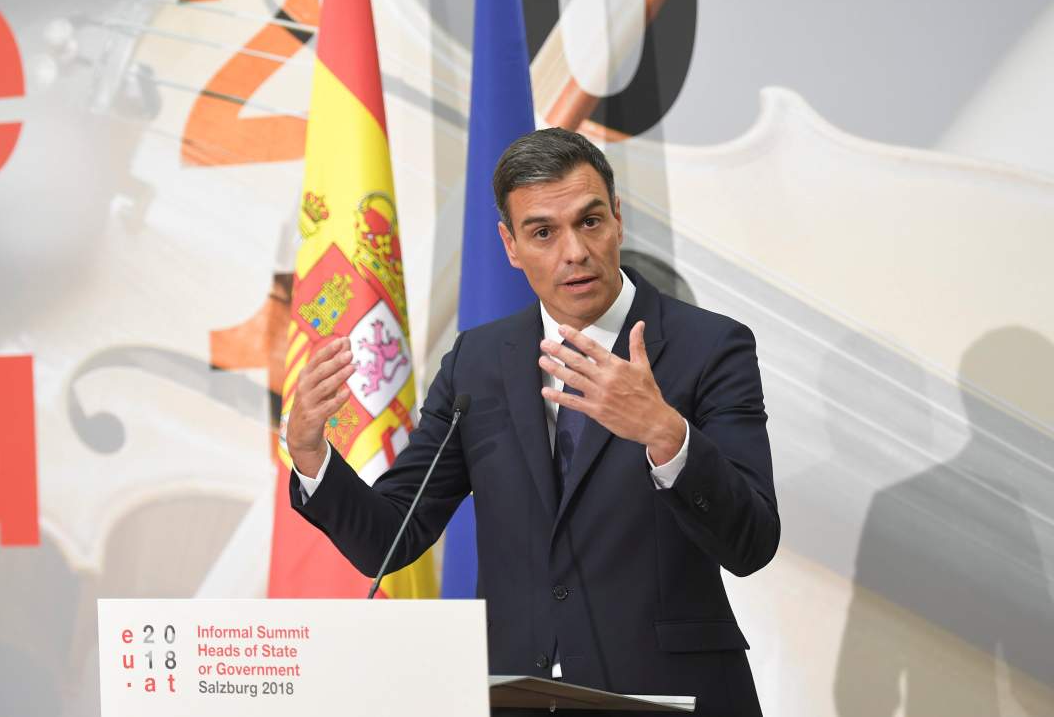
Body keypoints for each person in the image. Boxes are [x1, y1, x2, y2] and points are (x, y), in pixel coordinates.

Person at [285, 128, 779, 716]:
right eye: (543, 232)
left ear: (617, 219)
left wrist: (666, 435)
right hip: (516, 694)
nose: (575, 252)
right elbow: (390, 536)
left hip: (673, 694)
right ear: (510, 245)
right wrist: (310, 453)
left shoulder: (710, 346)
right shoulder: (477, 362)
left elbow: (751, 544)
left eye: (590, 222)